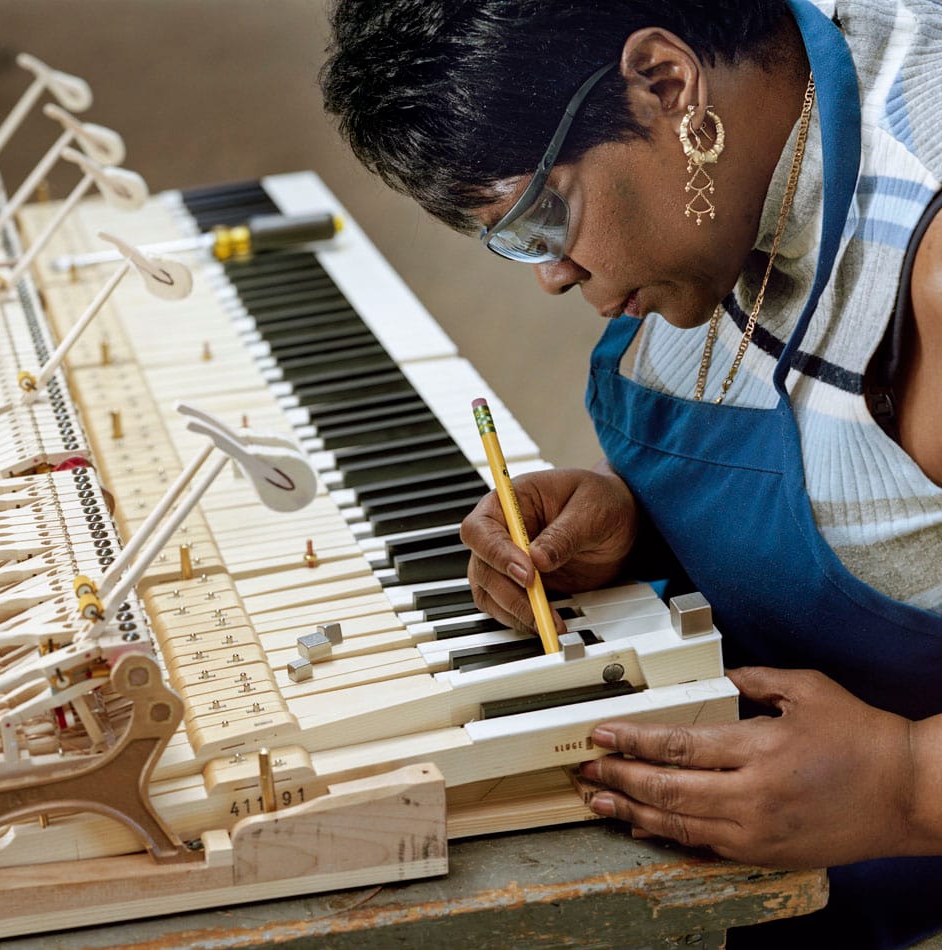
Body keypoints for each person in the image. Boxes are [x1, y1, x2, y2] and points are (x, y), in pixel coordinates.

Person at [320, 0, 942, 945]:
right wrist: (649, 530)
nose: (553, 277)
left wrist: (908, 782)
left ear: (665, 82)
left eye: (543, 217)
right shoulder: (736, 155)